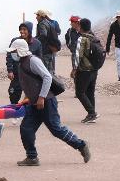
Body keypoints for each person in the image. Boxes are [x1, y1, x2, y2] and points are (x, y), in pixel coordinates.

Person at [12, 38, 92, 167]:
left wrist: (41, 97)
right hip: (33, 103)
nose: (12, 54)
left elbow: (47, 77)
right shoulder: (22, 63)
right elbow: (29, 84)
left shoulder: (33, 61)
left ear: (20, 51)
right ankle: (32, 157)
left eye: (14, 51)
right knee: (26, 128)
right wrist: (27, 98)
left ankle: (81, 145)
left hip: (46, 101)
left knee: (56, 129)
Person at [6, 22, 42, 107]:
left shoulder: (37, 43)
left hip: (30, 75)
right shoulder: (15, 41)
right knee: (13, 92)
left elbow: (40, 59)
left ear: (29, 31)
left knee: (30, 95)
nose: (22, 31)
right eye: (20, 29)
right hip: (17, 73)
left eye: (24, 29)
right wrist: (10, 70)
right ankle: (14, 109)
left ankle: (27, 111)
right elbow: (9, 56)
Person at [73, 18, 100, 123]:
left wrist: (74, 69)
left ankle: (92, 113)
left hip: (84, 69)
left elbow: (77, 55)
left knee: (79, 92)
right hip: (94, 69)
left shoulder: (82, 39)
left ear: (80, 26)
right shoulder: (93, 37)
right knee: (90, 92)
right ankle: (91, 114)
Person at [106, 10, 120, 82]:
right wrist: (107, 48)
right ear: (117, 17)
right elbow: (109, 36)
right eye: (119, 17)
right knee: (119, 61)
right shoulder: (113, 25)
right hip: (118, 45)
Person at [65, 16, 81, 80]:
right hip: (74, 53)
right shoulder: (70, 31)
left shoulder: (84, 30)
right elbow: (67, 39)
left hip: (84, 54)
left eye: (72, 22)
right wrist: (71, 47)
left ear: (77, 23)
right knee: (75, 71)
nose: (70, 23)